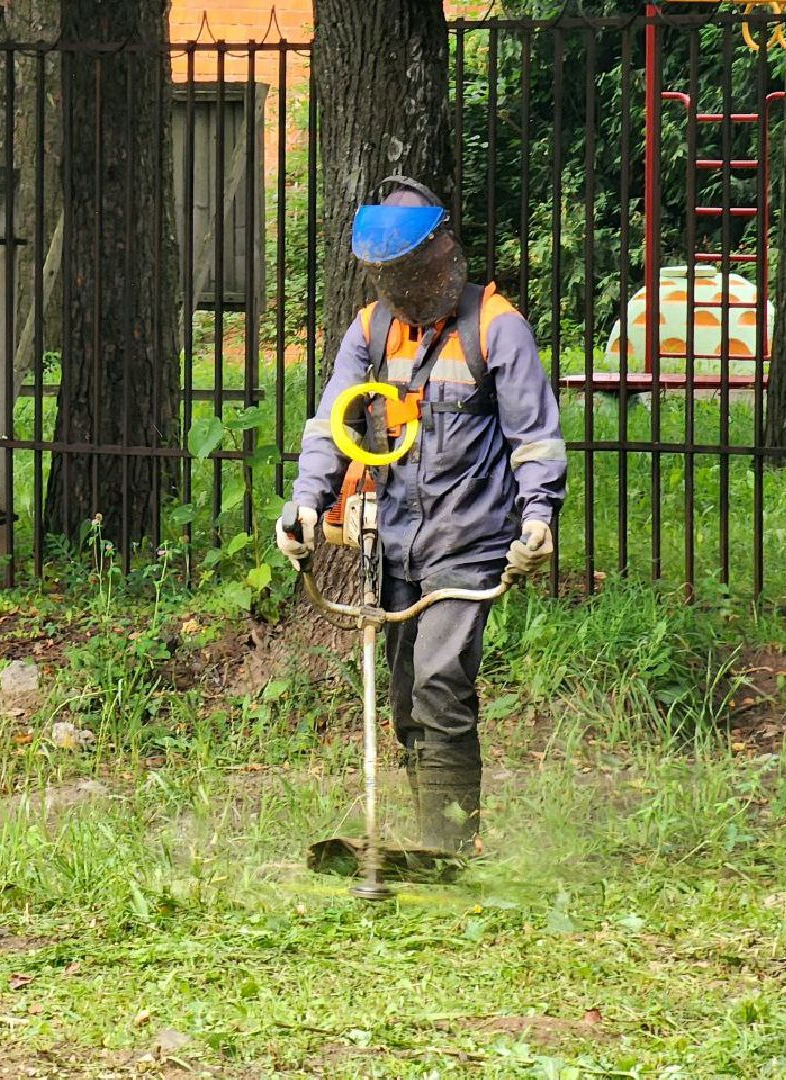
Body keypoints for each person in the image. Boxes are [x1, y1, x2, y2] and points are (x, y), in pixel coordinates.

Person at [276, 176, 566, 858]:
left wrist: (538, 517)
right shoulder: (371, 330)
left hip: (470, 538)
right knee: (407, 699)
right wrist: (307, 503)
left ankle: (449, 847)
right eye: (396, 277)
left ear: (443, 257)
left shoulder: (497, 328)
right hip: (396, 537)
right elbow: (332, 422)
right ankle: (429, 845)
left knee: (440, 681)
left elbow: (536, 439)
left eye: (418, 271)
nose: (409, 286)